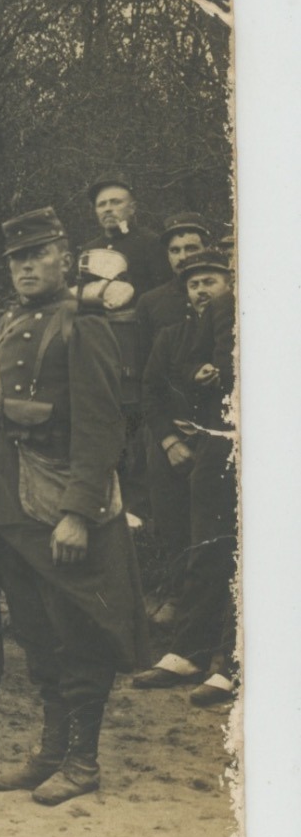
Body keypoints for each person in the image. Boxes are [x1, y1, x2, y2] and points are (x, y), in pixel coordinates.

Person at [0, 208, 148, 805]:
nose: (25, 267)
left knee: (79, 633)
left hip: (64, 505)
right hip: (14, 501)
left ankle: (83, 762)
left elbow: (104, 426)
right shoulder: (9, 319)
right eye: (16, 259)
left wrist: (78, 512)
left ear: (63, 256)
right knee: (36, 634)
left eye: (37, 255)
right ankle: (50, 752)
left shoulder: (84, 323)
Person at [134, 249, 238, 705]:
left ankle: (236, 664)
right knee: (204, 549)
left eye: (210, 282)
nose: (201, 290)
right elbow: (156, 390)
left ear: (229, 286)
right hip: (206, 458)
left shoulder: (243, 327)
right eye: (193, 283)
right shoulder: (178, 336)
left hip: (242, 448)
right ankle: (192, 651)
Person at [135, 212, 216, 589]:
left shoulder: (224, 296)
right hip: (165, 421)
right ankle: (175, 594)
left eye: (191, 247)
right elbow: (144, 376)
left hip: (213, 424)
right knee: (169, 514)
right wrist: (166, 438)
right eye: (175, 250)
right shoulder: (152, 303)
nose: (183, 256)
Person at [81, 173, 171, 297]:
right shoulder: (89, 250)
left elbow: (163, 293)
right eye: (101, 204)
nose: (108, 209)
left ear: (132, 208)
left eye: (115, 202)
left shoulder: (151, 243)